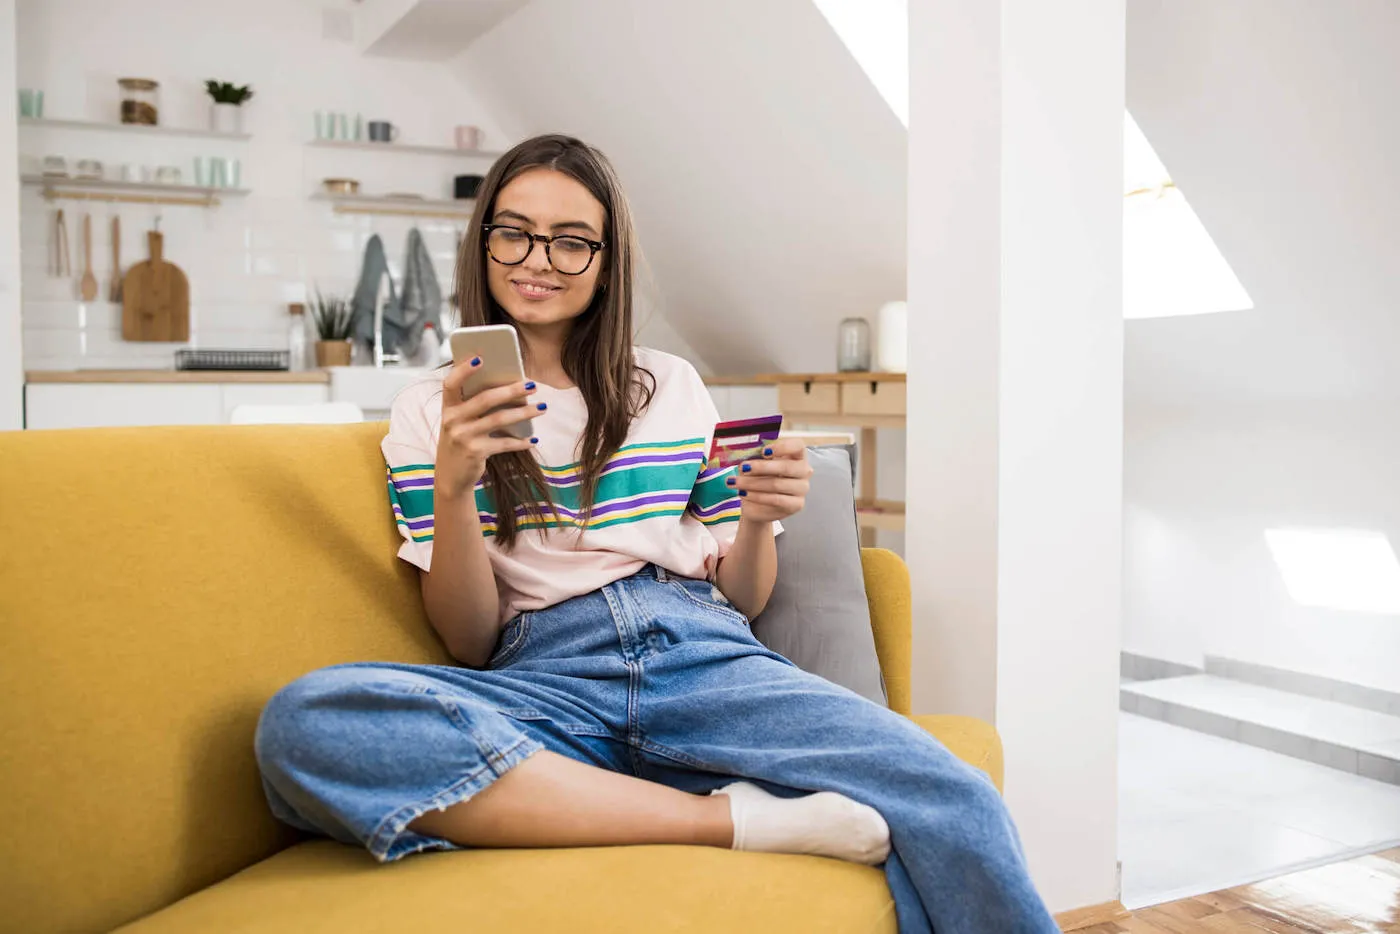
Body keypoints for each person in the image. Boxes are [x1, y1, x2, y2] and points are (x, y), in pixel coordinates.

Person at [255, 134, 1059, 933]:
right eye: (515, 232)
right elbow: (468, 642)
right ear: (483, 240)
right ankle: (731, 818)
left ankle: (641, 795)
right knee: (307, 723)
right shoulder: (430, 411)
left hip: (701, 654)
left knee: (951, 793)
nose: (538, 259)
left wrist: (756, 521)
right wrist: (456, 484)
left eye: (572, 242)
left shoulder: (667, 385)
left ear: (608, 261)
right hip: (547, 679)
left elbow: (743, 599)